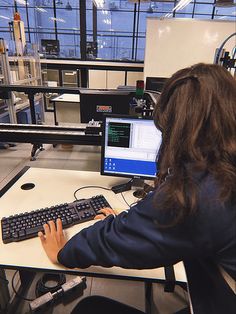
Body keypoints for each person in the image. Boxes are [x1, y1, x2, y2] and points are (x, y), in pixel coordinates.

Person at [38, 63, 236, 314]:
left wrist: (64, 252)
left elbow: (114, 243)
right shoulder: (224, 169)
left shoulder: (200, 192)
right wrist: (132, 225)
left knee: (89, 307)